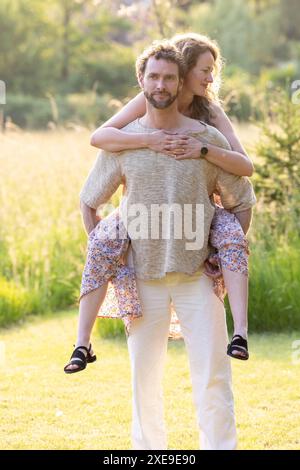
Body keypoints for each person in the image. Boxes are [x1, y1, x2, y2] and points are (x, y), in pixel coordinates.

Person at [72, 41, 256, 450]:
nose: (161, 83)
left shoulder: (206, 136)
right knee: (145, 378)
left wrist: (221, 252)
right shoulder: (123, 141)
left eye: (169, 77)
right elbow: (89, 201)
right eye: (153, 76)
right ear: (142, 82)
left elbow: (242, 199)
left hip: (197, 278)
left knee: (213, 374)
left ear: (179, 82)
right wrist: (112, 251)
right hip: (143, 276)